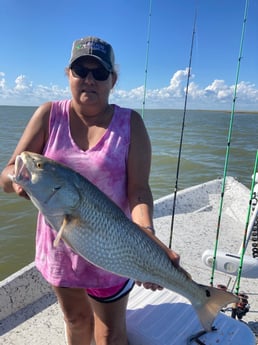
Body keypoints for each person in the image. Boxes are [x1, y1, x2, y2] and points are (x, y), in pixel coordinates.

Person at [0, 36, 180, 345]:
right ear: (68, 74)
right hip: (60, 246)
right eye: (80, 70)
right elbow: (8, 173)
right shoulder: (48, 115)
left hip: (114, 248)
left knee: (110, 334)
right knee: (76, 321)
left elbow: (138, 190)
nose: (89, 79)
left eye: (99, 73)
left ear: (113, 79)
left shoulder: (130, 123)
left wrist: (146, 236)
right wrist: (20, 184)